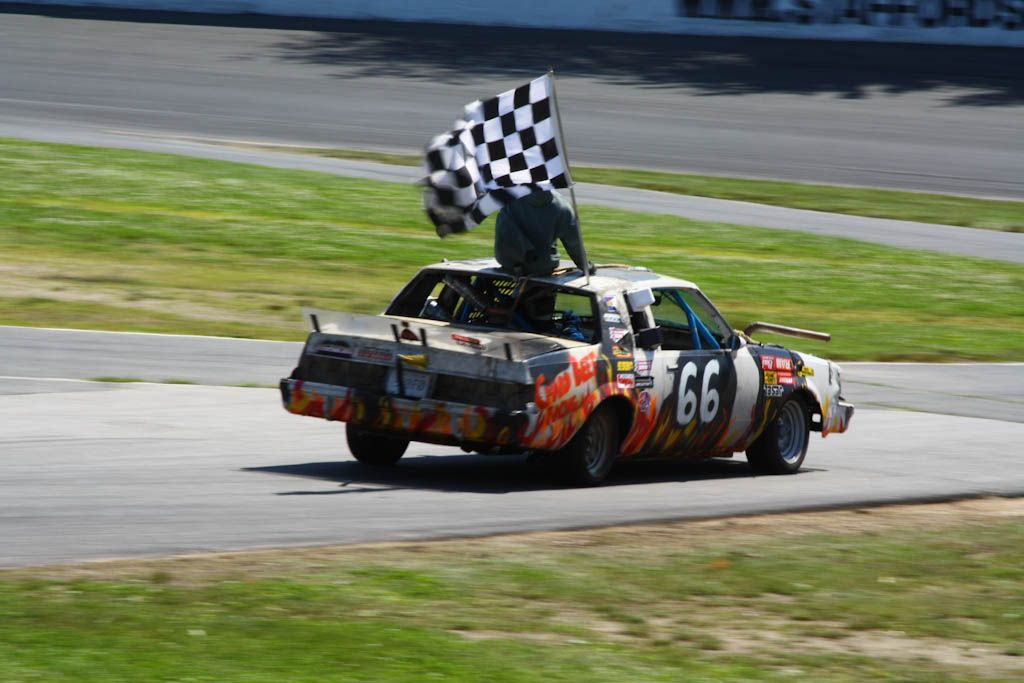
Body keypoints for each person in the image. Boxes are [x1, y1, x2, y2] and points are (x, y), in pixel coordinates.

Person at [494, 190, 591, 276]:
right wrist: (586, 266)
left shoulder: (511, 197)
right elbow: (574, 244)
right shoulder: (563, 205)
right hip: (543, 266)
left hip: (509, 263)